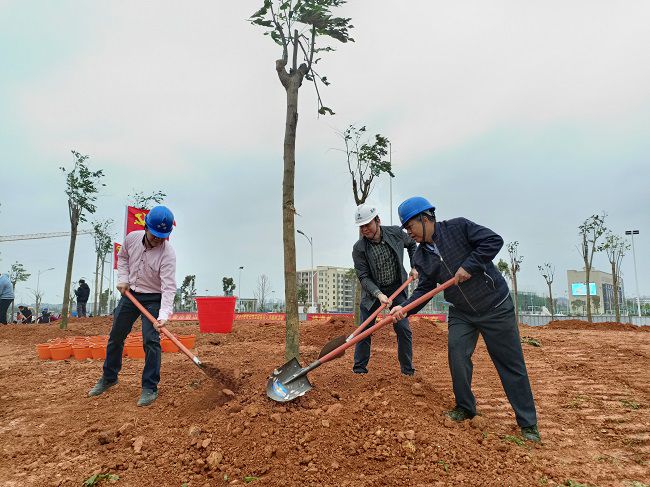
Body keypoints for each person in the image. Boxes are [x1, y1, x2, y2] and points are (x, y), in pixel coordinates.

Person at [389, 197, 540, 443]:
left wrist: (469, 265)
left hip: (495, 305)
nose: (409, 233)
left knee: (510, 364)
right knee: (457, 355)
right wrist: (404, 308)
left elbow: (494, 240)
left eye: (410, 226)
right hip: (462, 312)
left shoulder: (458, 228)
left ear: (425, 219)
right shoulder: (421, 258)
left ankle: (528, 423)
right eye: (406, 229)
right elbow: (424, 290)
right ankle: (465, 407)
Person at [88, 205, 176, 407]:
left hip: (154, 298)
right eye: (155, 235)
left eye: (163, 236)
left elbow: (169, 286)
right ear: (146, 227)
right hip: (131, 294)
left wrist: (163, 314)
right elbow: (124, 257)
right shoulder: (131, 239)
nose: (158, 240)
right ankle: (109, 378)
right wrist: (123, 278)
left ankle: (150, 387)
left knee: (151, 341)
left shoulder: (168, 254)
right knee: (116, 336)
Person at [351, 204, 418, 376]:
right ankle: (359, 370)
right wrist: (379, 294)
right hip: (373, 293)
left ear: (378, 221)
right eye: (362, 226)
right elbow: (364, 277)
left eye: (368, 224)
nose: (365, 229)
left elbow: (412, 244)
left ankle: (407, 371)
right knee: (364, 331)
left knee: (403, 329)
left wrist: (415, 265)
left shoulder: (395, 233)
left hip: (397, 288)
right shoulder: (359, 249)